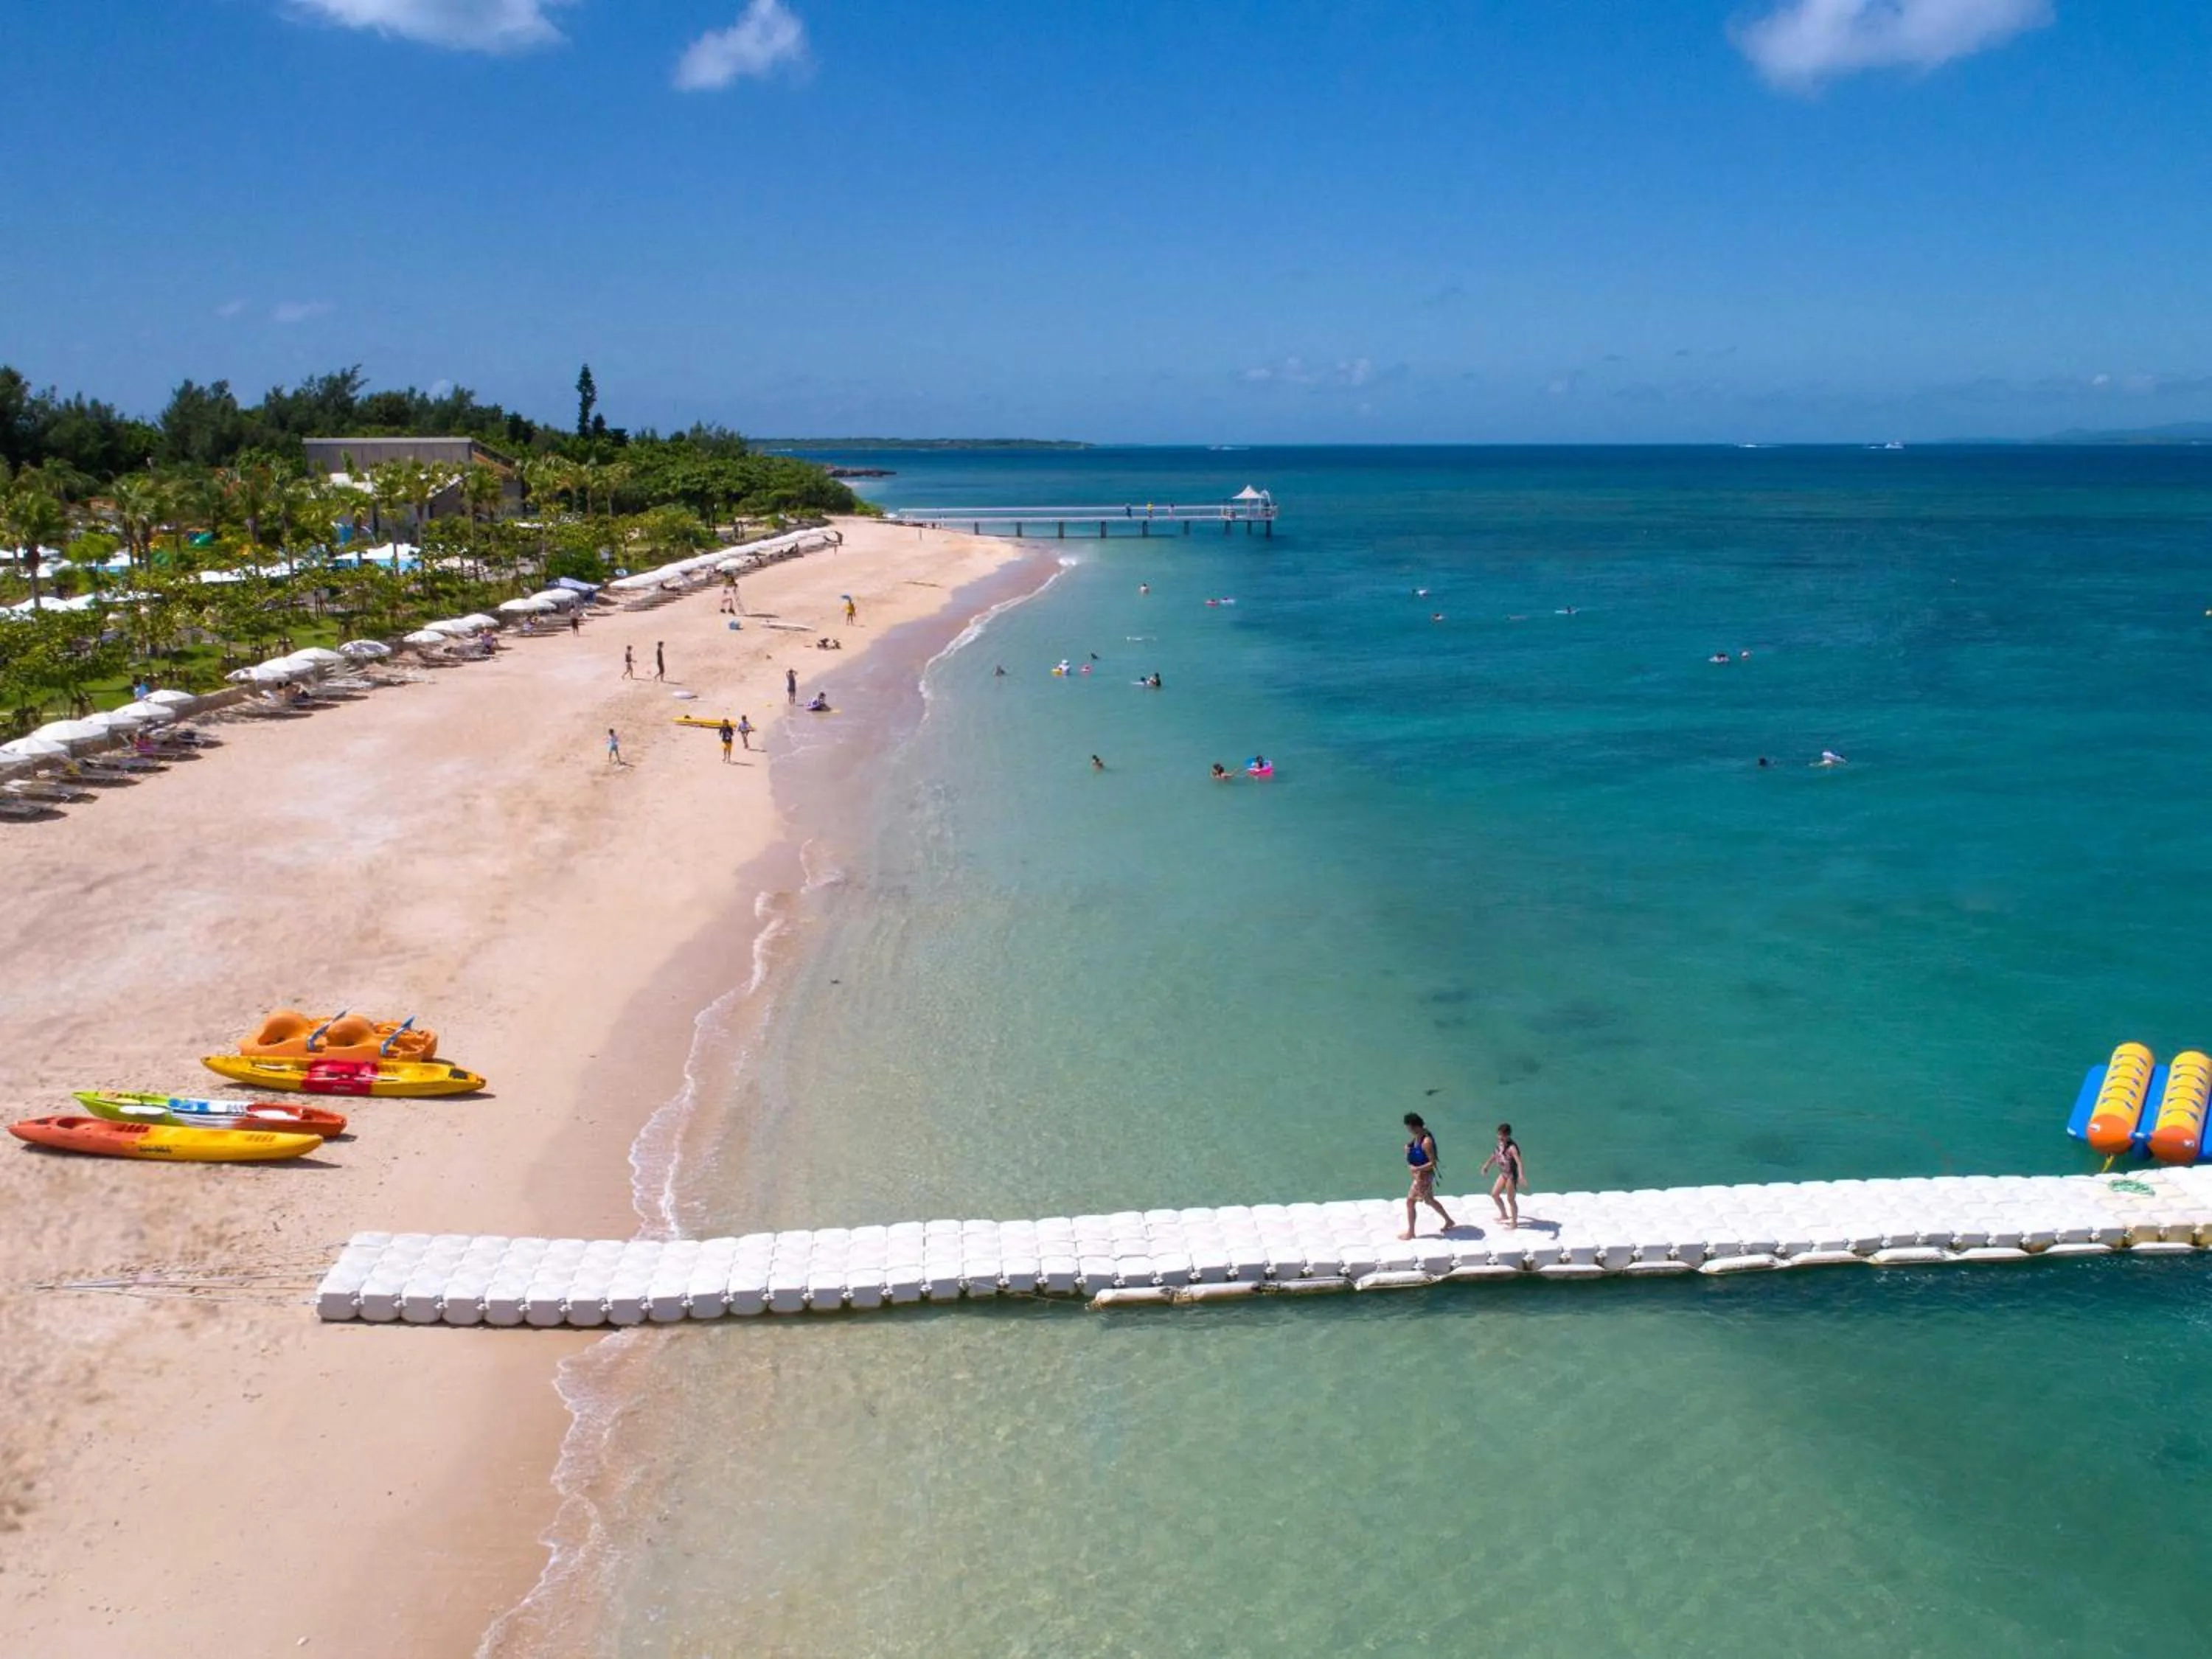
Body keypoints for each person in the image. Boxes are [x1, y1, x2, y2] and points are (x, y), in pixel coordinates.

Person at [1399, 1113, 1456, 1239]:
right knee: (1429, 1200)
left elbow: (1433, 1163)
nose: (1409, 1131)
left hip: (1423, 1177)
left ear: (1415, 1127)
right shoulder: (1419, 1135)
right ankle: (1449, 1221)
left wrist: (1417, 1168)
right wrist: (1407, 1147)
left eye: (1409, 1128)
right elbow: (1412, 1144)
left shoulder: (1426, 1142)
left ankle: (1411, 1233)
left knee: (1410, 1202)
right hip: (1420, 1176)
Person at [1481, 1123, 1525, 1229]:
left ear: (1508, 1135)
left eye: (1502, 1135)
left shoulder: (1512, 1148)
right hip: (1503, 1173)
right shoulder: (1500, 1144)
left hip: (1511, 1175)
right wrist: (1486, 1165)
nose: (1500, 1137)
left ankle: (1514, 1223)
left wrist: (1521, 1175)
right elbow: (1495, 1155)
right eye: (1499, 1135)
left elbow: (1519, 1162)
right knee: (1495, 1194)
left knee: (1511, 1199)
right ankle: (1504, 1215)